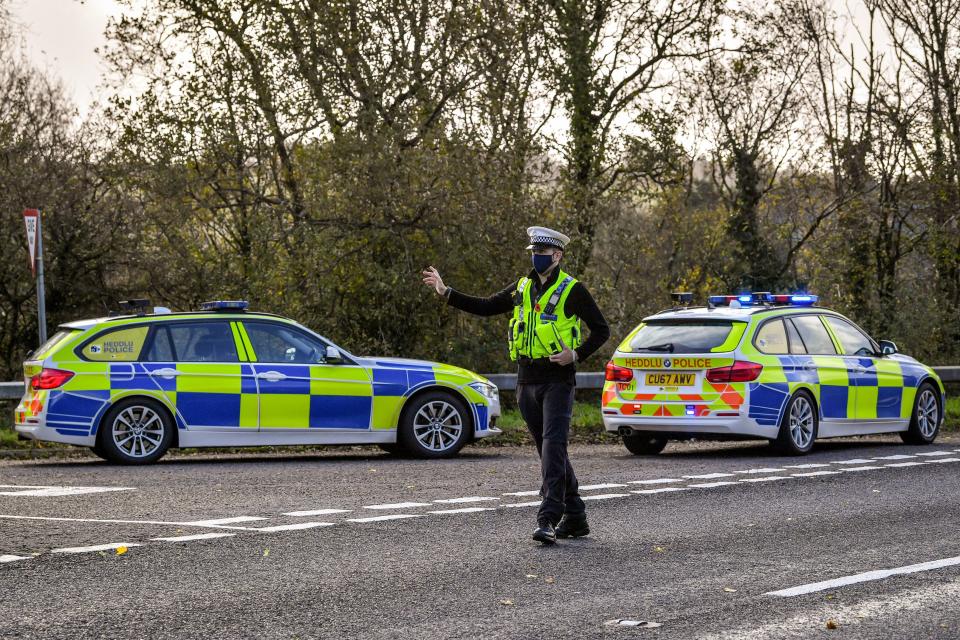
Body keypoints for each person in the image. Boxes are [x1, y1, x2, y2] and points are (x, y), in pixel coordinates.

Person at [422, 226, 610, 544]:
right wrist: (445, 292)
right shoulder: (522, 287)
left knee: (553, 447)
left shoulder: (572, 289)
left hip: (557, 381)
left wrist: (575, 354)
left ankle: (548, 518)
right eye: (533, 253)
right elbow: (486, 306)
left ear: (558, 255)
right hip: (526, 380)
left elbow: (601, 330)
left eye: (542, 253)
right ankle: (576, 515)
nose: (536, 257)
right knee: (550, 451)